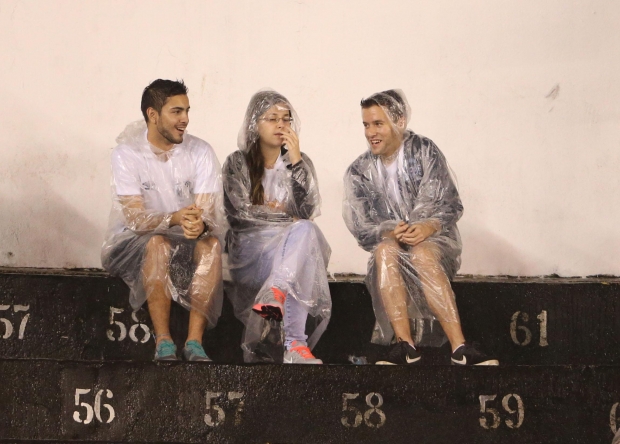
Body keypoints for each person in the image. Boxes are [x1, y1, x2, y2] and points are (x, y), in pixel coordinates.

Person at [342, 89, 498, 366]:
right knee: (385, 252)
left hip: (434, 241)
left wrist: (428, 226)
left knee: (422, 254)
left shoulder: (424, 152)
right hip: (392, 244)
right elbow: (361, 225)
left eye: (378, 123)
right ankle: (405, 346)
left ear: (399, 121)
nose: (370, 132)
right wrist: (390, 231)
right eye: (366, 125)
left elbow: (449, 203)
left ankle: (459, 347)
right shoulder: (359, 171)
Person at [101, 79, 225, 362]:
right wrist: (174, 218)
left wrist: (200, 224)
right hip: (133, 241)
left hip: (183, 236)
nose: (185, 119)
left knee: (211, 246)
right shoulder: (127, 154)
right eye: (176, 111)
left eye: (187, 111)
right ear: (153, 114)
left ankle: (194, 342)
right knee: (158, 243)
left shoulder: (201, 151)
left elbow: (207, 210)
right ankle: (164, 341)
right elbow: (135, 218)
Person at [223, 90, 331, 364]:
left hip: (287, 256)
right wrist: (284, 215)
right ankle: (295, 344)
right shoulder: (237, 163)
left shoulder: (300, 162)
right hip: (251, 254)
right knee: (302, 247)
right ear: (254, 124)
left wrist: (296, 163)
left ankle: (276, 294)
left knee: (306, 232)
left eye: (286, 119)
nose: (281, 125)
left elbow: (306, 213)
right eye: (272, 118)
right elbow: (239, 214)